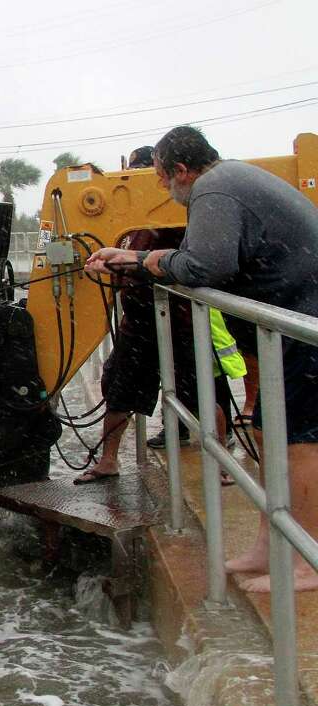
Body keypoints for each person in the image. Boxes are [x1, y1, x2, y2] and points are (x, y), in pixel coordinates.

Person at [85, 125, 318, 593]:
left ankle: (306, 560)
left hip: (305, 325)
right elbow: (197, 254)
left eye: (162, 178)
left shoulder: (213, 189)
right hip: (292, 323)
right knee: (268, 432)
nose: (164, 189)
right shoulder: (230, 179)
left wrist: (147, 262)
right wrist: (133, 258)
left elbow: (205, 265)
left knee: (300, 442)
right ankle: (269, 544)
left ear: (180, 170)